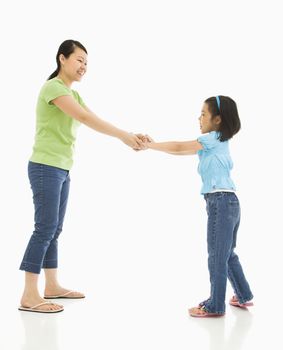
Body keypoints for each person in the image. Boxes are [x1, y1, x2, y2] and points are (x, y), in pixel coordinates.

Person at [19, 39, 146, 313]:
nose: (84, 66)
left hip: (61, 168)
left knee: (54, 229)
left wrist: (131, 135)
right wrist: (124, 138)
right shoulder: (53, 88)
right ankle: (29, 295)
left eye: (87, 63)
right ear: (62, 59)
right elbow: (87, 120)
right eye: (79, 60)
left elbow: (94, 116)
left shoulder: (73, 94)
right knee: (44, 229)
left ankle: (51, 286)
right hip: (45, 166)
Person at [143, 96, 253, 317]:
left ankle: (215, 305)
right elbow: (180, 151)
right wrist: (153, 146)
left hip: (220, 202)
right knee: (226, 253)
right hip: (229, 201)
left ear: (218, 119)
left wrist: (150, 145)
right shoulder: (216, 142)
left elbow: (179, 145)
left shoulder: (212, 138)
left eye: (203, 114)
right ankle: (244, 295)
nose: (199, 118)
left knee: (216, 256)